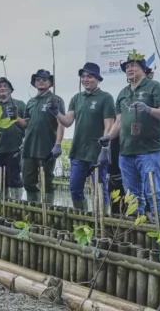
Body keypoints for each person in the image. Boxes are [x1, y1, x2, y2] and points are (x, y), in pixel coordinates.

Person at [100, 50, 160, 223]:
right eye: (127, 67)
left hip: (149, 150)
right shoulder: (123, 93)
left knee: (154, 191)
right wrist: (108, 137)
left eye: (134, 66)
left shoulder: (154, 86)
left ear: (144, 69)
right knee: (131, 193)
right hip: (126, 151)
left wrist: (148, 110)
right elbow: (118, 122)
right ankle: (135, 224)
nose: (130, 69)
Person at [52, 62, 116, 211]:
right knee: (74, 189)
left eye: (89, 76)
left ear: (98, 79)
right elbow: (67, 122)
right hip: (78, 151)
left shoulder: (106, 98)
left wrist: (105, 149)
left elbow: (109, 125)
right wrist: (56, 112)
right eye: (83, 76)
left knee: (100, 190)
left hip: (97, 152)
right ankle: (82, 218)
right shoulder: (76, 98)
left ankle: (102, 220)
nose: (85, 79)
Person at [22, 69, 65, 204]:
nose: (41, 81)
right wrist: (14, 118)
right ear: (34, 83)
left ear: (50, 83)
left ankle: (48, 209)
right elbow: (26, 123)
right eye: (38, 79)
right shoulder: (31, 102)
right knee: (28, 181)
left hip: (47, 146)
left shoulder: (56, 100)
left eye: (44, 79)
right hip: (29, 146)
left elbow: (61, 123)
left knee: (47, 180)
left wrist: (58, 144)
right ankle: (33, 208)